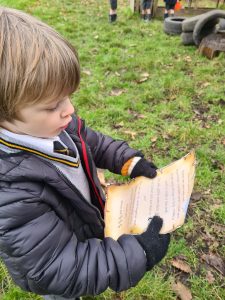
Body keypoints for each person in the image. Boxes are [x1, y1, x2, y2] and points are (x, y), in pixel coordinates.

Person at [0, 6, 170, 300]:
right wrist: (136, 253)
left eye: (68, 96)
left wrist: (129, 161)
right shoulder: (11, 191)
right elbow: (54, 268)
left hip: (84, 225)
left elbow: (91, 141)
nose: (69, 109)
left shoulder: (53, 126)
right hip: (63, 263)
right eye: (53, 105)